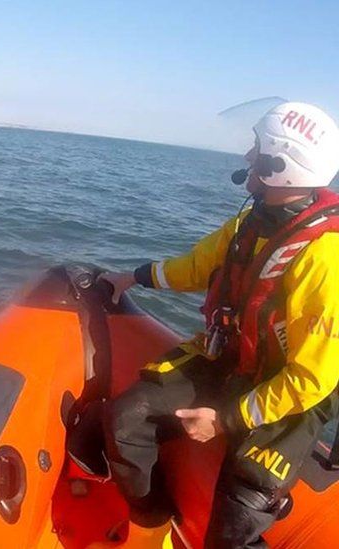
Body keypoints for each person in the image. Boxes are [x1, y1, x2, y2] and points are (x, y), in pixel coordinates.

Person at [99, 102, 339, 547]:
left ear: (279, 165)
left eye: (257, 149)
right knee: (127, 419)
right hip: (231, 360)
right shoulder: (250, 222)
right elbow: (196, 267)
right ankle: (151, 527)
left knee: (243, 498)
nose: (248, 157)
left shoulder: (325, 257)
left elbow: (312, 377)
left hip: (288, 393)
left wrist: (225, 419)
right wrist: (131, 277)